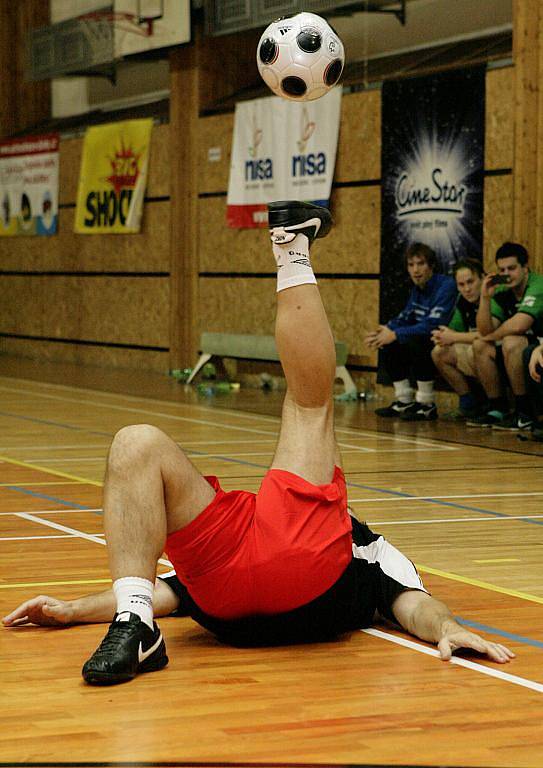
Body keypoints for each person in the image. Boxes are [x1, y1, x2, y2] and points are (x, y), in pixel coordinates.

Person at [2, 202, 514, 684]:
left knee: (142, 443)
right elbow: (413, 604)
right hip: (283, 571)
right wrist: (447, 628)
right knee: (301, 407)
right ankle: (291, 246)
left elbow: (167, 592)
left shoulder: (357, 546)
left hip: (233, 590)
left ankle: (132, 623)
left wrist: (74, 609)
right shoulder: (374, 552)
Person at [365, 243, 456, 422]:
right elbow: (406, 316)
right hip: (430, 336)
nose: (415, 270)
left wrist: (396, 334)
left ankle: (426, 404)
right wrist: (386, 330)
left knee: (416, 340)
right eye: (411, 265)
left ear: (431, 266)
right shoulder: (417, 289)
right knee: (387, 342)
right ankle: (404, 400)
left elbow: (434, 324)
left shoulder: (446, 286)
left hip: (447, 339)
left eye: (420, 264)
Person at [468, 242, 543, 430]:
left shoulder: (538, 284)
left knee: (511, 341)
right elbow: (484, 330)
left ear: (525, 268)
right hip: (525, 350)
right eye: (502, 269)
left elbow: (520, 324)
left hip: (540, 346)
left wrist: (491, 336)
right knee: (480, 346)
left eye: (512, 268)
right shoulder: (502, 290)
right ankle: (498, 408)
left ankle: (525, 412)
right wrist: (485, 298)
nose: (507, 274)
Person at [431, 259, 485, 421]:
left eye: (471, 282)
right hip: (477, 354)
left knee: (476, 348)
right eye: (461, 285)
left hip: (495, 352)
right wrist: (442, 336)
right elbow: (453, 331)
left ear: (482, 278)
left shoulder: (493, 296)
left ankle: (496, 406)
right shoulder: (462, 301)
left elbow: (490, 335)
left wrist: (453, 337)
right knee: (440, 351)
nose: (467, 289)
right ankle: (468, 403)